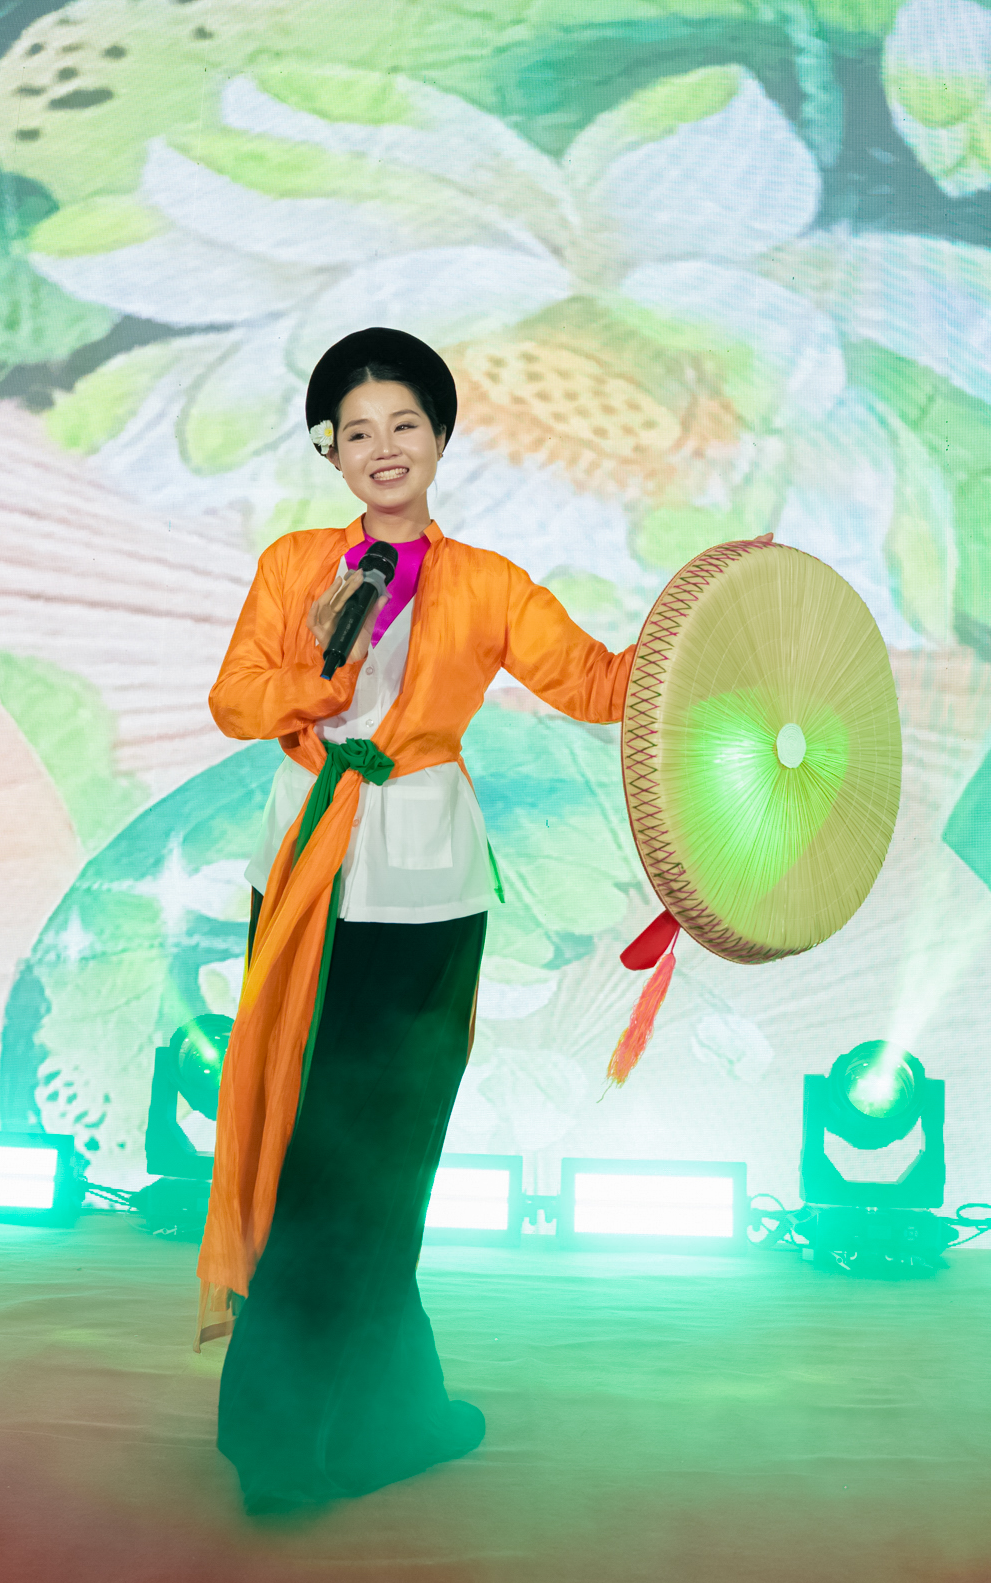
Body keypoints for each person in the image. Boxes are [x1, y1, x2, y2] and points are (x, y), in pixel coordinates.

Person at [198, 326, 639, 1514]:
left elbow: (598, 684)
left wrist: (708, 620)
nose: (383, 447)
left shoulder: (490, 585)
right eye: (357, 431)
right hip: (304, 873)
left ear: (440, 439)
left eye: (405, 424)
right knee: (309, 1148)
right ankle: (289, 1441)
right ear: (330, 452)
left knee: (385, 1161)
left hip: (427, 887)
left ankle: (384, 1413)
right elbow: (236, 697)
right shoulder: (296, 566)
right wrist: (319, 676)